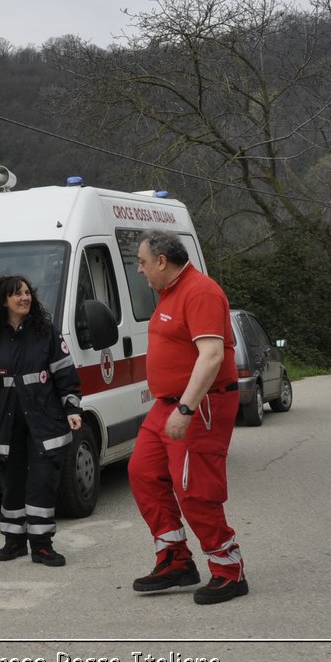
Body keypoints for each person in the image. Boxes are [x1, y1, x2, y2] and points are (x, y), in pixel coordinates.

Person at [128, 231, 248, 605]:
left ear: (162, 261)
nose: (140, 269)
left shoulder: (200, 292)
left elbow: (211, 356)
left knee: (194, 489)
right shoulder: (170, 293)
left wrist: (186, 408)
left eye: (143, 262)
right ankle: (175, 559)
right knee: (143, 472)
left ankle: (229, 569)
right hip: (167, 403)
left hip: (199, 405)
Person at [0, 274, 83, 568]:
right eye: (17, 294)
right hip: (6, 425)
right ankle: (14, 540)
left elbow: (65, 374)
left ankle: (42, 546)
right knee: (12, 482)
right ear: (3, 301)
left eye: (27, 292)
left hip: (44, 421)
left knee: (42, 482)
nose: (25, 298)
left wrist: (72, 407)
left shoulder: (46, 332)